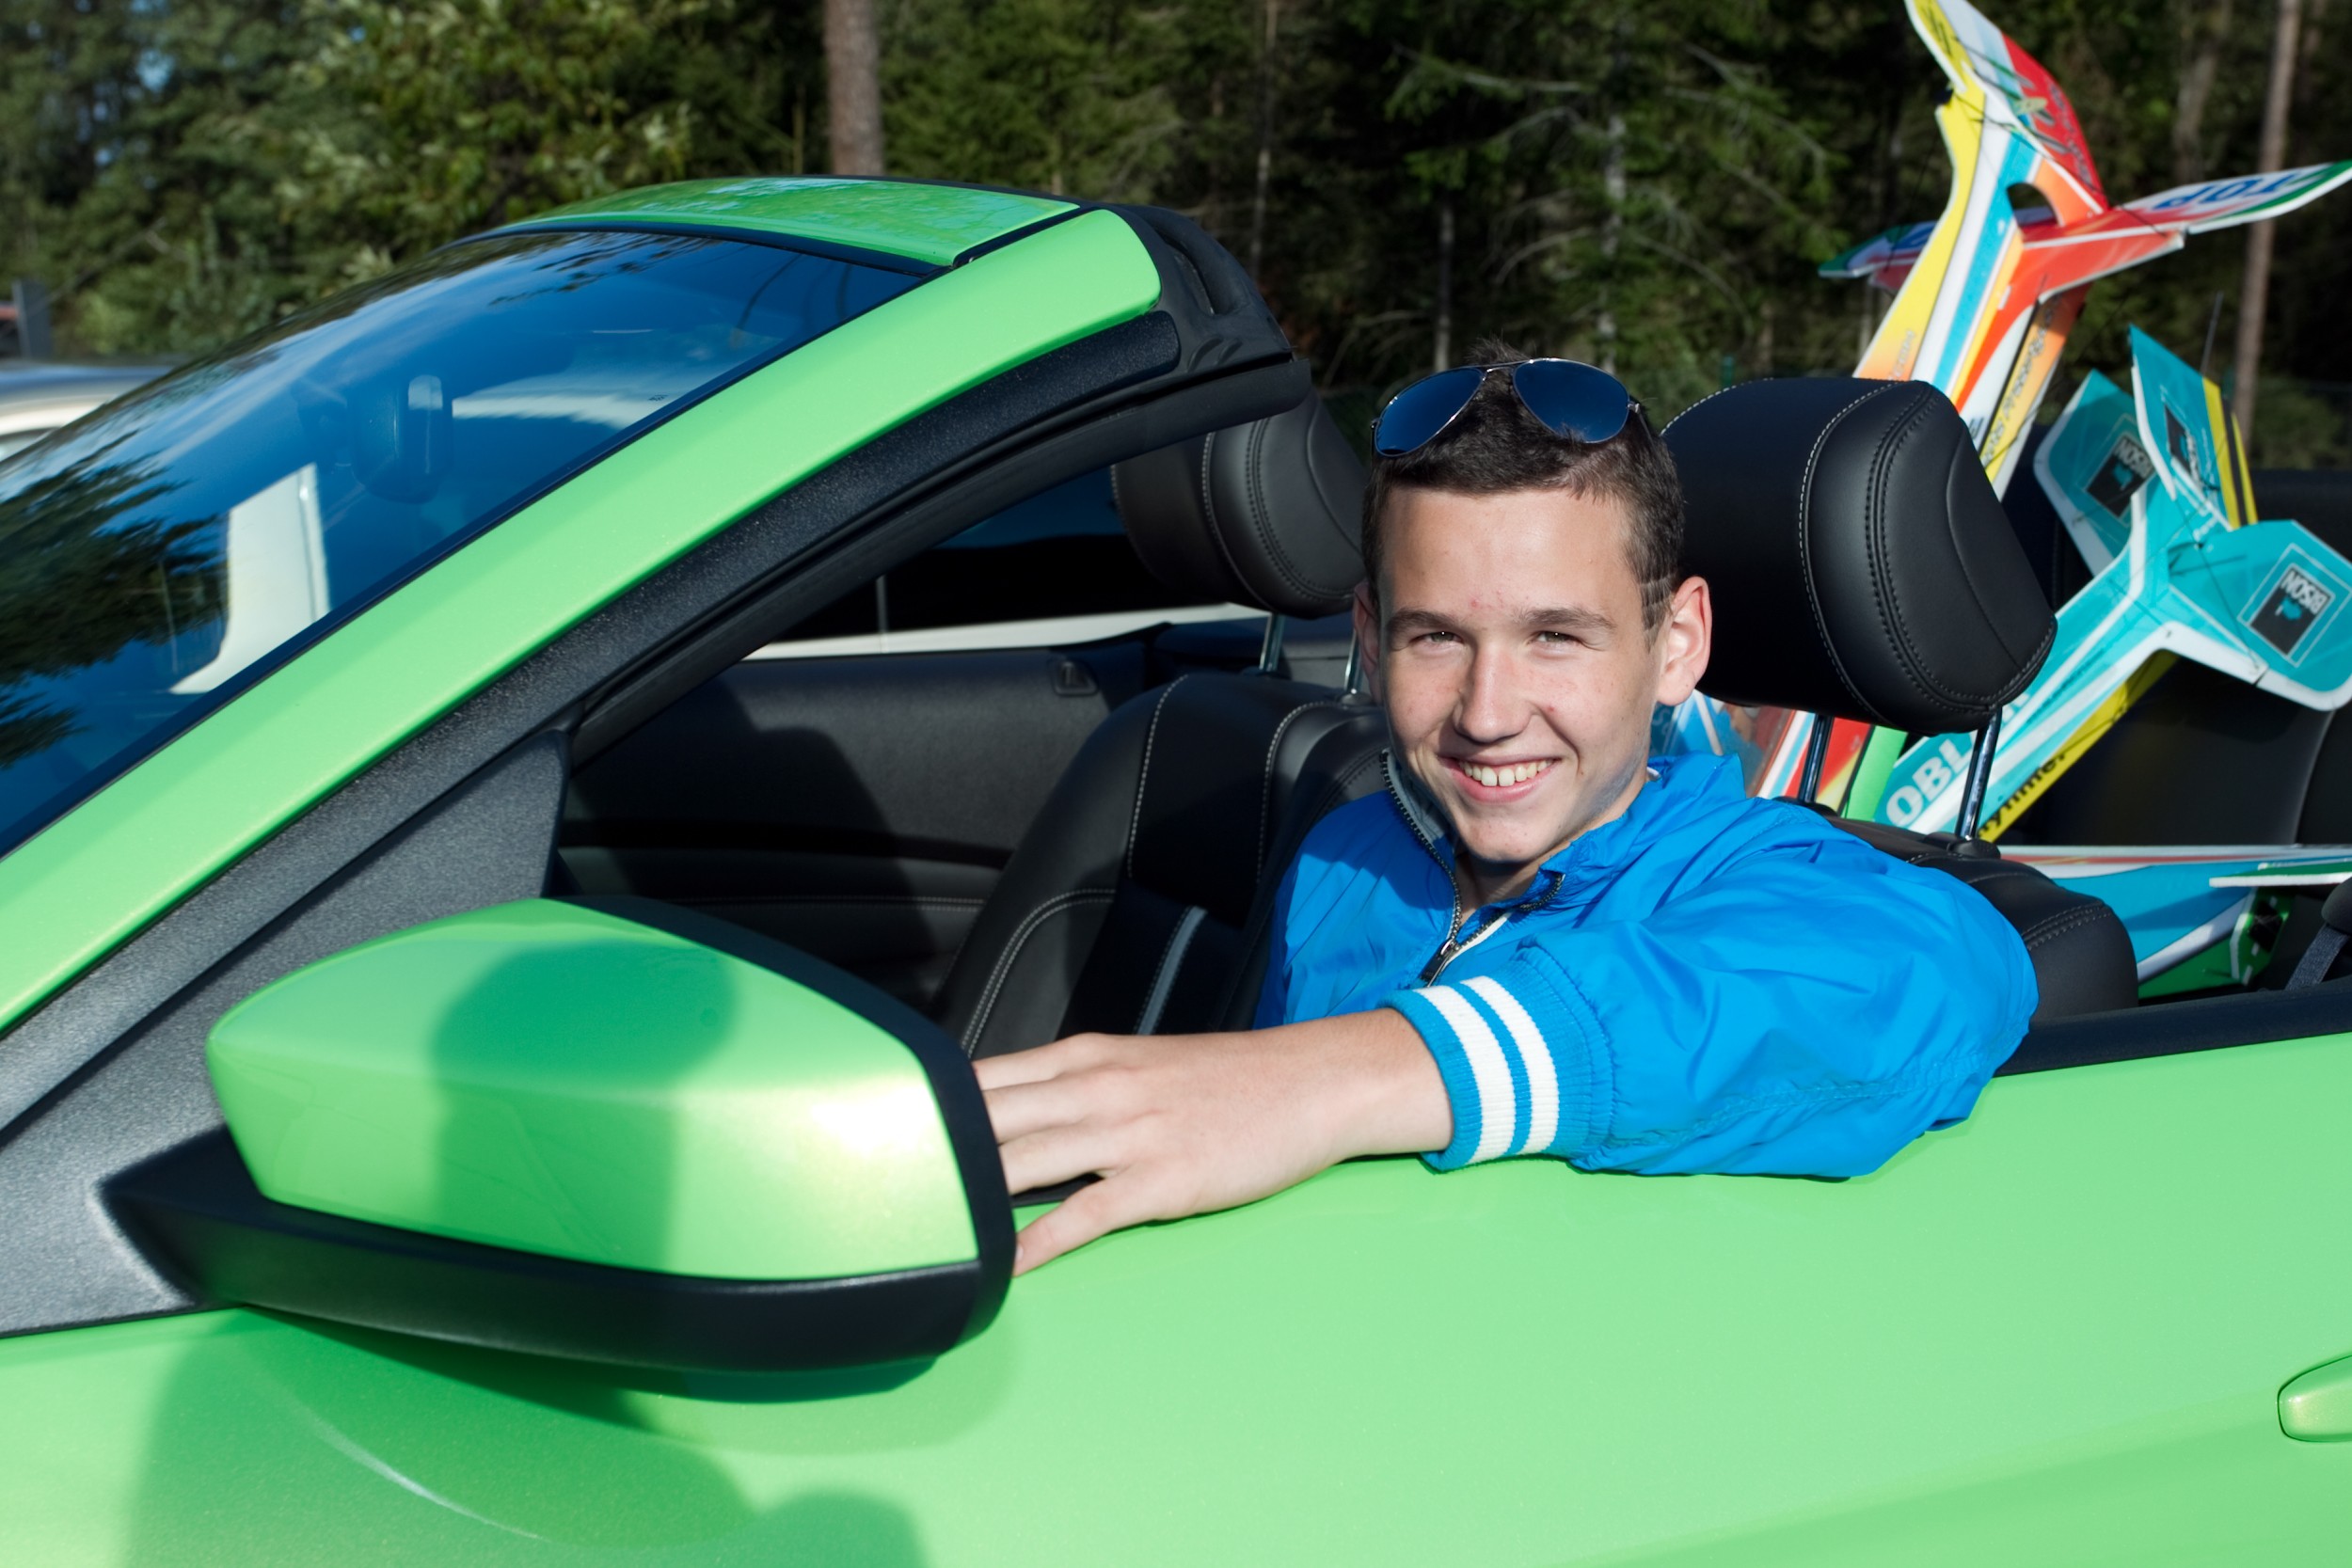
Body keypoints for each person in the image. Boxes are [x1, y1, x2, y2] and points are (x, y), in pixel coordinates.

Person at [977, 351, 2039, 1274]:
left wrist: (1361, 1072)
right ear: (1369, 636)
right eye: (1436, 637)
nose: (1487, 715)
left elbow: (1947, 965)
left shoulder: (1760, 876)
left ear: (1675, 644)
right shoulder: (1353, 848)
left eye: (1555, 637)